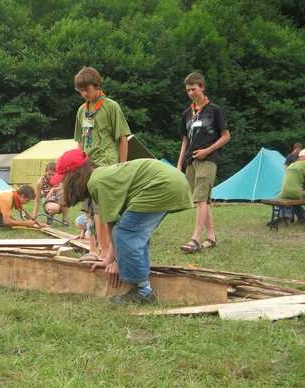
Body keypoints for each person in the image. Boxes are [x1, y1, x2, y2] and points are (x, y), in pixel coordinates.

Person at [55, 149, 192, 305]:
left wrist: (116, 261)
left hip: (163, 184)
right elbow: (113, 223)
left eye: (63, 179)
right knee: (133, 234)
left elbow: (113, 227)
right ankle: (142, 284)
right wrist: (109, 259)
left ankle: (144, 292)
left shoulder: (97, 183)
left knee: (126, 233)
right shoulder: (99, 177)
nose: (62, 184)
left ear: (73, 176)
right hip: (171, 181)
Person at [73, 66, 131, 261]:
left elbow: (123, 138)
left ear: (97, 86)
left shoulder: (111, 106)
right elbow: (79, 140)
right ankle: (93, 250)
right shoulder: (82, 110)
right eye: (80, 91)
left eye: (86, 89)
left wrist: (122, 166)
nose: (84, 94)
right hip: (87, 165)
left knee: (101, 210)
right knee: (88, 209)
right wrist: (78, 162)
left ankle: (106, 251)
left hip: (107, 164)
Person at [176, 72, 230, 253]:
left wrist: (207, 151)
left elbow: (226, 136)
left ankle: (195, 239)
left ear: (202, 87)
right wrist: (179, 164)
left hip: (208, 160)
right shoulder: (186, 114)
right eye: (188, 90)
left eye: (193, 89)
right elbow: (185, 140)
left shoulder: (214, 110)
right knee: (203, 200)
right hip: (190, 161)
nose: (191, 93)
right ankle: (211, 237)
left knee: (200, 198)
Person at [278, 149, 305, 222]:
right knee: (297, 198)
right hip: (296, 193)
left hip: (283, 193)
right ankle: (301, 216)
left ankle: (299, 216)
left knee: (293, 200)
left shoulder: (292, 164)